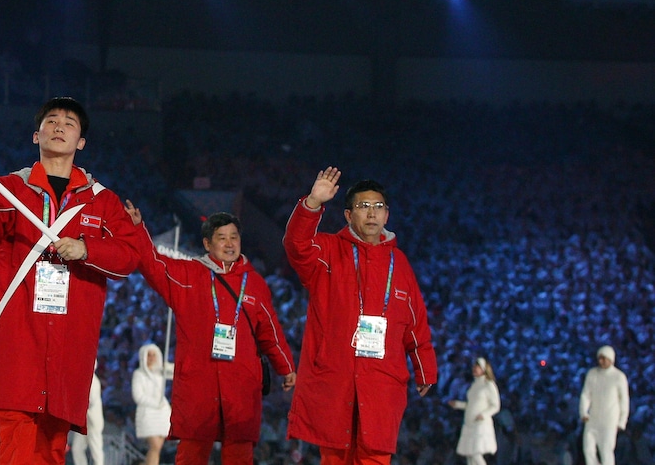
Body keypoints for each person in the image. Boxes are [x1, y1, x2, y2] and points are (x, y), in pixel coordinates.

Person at [0, 97, 143, 465]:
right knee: (18, 447)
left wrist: (87, 249)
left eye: (69, 123)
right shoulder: (9, 187)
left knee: (53, 451)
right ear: (35, 135)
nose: (59, 127)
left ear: (81, 141)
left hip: (70, 347)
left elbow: (129, 256)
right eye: (51, 121)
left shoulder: (101, 201)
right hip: (19, 342)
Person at [283, 167, 436, 465]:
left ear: (387, 215)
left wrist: (424, 366)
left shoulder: (399, 262)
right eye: (363, 207)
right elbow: (296, 246)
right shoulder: (328, 251)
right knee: (335, 456)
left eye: (378, 207)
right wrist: (312, 203)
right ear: (348, 215)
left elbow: (415, 320)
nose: (371, 214)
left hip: (381, 382)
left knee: (375, 457)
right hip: (336, 378)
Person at [134, 209, 295, 464]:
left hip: (241, 383)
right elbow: (152, 263)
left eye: (234, 237)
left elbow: (269, 330)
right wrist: (138, 229)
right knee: (192, 452)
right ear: (207, 243)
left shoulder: (254, 283)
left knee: (239, 453)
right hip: (198, 383)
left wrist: (285, 366)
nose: (229, 243)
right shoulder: (188, 275)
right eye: (222, 237)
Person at [580, 345, 629, 465]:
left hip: (609, 420)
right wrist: (583, 412)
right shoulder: (592, 374)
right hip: (593, 418)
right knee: (588, 448)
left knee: (606, 449)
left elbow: (624, 401)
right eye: (599, 358)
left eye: (604, 358)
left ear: (611, 359)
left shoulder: (619, 377)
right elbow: (586, 395)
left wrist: (622, 421)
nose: (601, 361)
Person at [449, 357, 500, 465]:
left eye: (477, 367)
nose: (474, 369)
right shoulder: (474, 385)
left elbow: (495, 405)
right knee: (469, 455)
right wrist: (458, 404)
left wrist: (484, 414)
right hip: (469, 423)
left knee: (475, 453)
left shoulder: (489, 385)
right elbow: (471, 405)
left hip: (480, 423)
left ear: (483, 369)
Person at [131, 344, 172, 465]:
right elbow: (138, 396)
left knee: (157, 447)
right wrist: (155, 403)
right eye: (149, 355)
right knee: (154, 445)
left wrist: (167, 366)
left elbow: (176, 373)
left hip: (161, 413)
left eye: (154, 355)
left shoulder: (160, 372)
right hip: (147, 412)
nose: (152, 357)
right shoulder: (139, 374)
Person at [69, 370, 104, 465]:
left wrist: (75, 405)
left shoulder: (94, 381)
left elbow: (91, 401)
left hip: (93, 421)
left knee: (96, 449)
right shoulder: (82, 379)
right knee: (77, 449)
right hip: (84, 421)